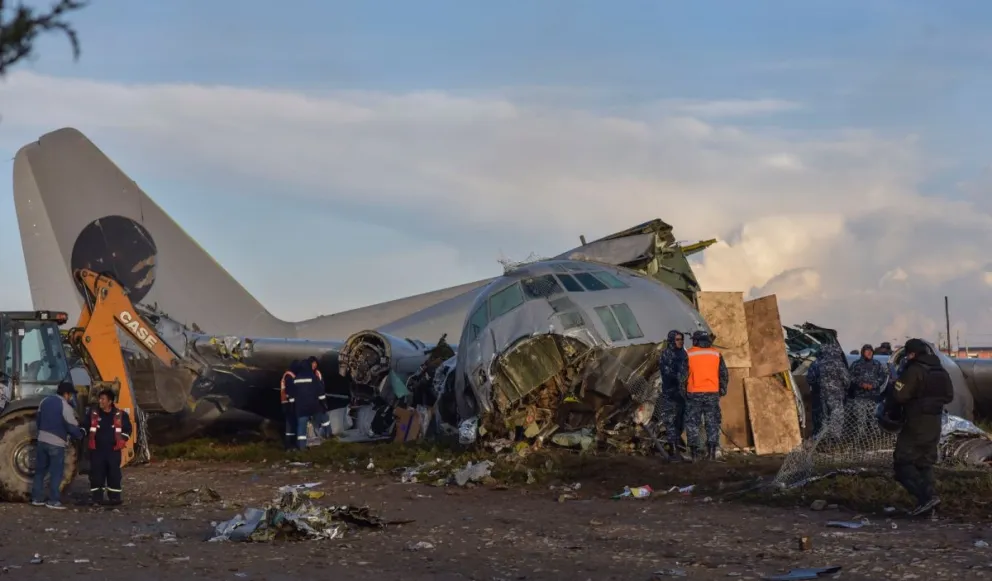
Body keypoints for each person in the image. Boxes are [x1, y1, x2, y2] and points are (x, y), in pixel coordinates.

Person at [884, 338, 953, 516]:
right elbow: (949, 396)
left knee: (902, 462)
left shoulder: (914, 370)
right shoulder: (940, 371)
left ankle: (926, 497)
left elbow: (900, 395)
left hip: (916, 421)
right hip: (935, 422)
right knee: (925, 462)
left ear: (912, 353)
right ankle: (930, 506)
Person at [31, 382, 86, 509]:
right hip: (56, 443)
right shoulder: (65, 406)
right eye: (70, 394)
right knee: (56, 473)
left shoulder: (44, 401)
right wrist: (81, 433)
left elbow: (38, 420)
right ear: (66, 394)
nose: (71, 397)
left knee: (40, 471)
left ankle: (36, 498)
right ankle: (53, 501)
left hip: (41, 440)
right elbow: (72, 426)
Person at [683, 330, 728, 461]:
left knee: (692, 423)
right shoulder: (716, 354)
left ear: (695, 341)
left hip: (693, 393)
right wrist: (722, 389)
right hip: (712, 394)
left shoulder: (689, 354)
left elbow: (682, 376)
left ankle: (693, 455)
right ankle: (712, 454)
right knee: (712, 422)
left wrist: (682, 391)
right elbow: (723, 374)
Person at [87, 388, 133, 506]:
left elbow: (128, 429)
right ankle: (97, 498)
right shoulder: (93, 414)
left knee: (114, 474)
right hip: (97, 451)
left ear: (110, 401)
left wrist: (123, 439)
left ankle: (115, 498)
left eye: (103, 399)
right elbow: (84, 426)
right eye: (99, 399)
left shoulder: (121, 415)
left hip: (113, 451)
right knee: (96, 475)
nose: (100, 401)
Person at [806, 341, 850, 442]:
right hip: (836, 396)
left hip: (821, 396)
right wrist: (844, 388)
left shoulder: (818, 363)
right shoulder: (838, 363)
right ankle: (834, 440)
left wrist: (818, 387)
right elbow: (847, 380)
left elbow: (810, 379)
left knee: (824, 419)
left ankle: (822, 440)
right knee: (836, 417)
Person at [655, 330, 688, 460]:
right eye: (678, 339)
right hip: (670, 394)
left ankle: (677, 447)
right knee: (670, 422)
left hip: (682, 395)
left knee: (681, 422)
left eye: (682, 339)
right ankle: (673, 450)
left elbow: (687, 370)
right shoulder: (666, 355)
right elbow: (666, 372)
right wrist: (679, 378)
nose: (680, 342)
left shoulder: (684, 354)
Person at [290, 361, 326, 449]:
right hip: (313, 407)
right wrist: (323, 404)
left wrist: (292, 407)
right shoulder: (313, 378)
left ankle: (302, 448)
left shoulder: (296, 379)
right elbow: (320, 392)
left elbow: (292, 396)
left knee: (301, 429)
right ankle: (319, 444)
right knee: (317, 425)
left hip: (301, 409)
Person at [280, 360, 299, 450]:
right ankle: (290, 444)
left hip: (286, 402)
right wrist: (293, 403)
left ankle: (288, 444)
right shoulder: (289, 376)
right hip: (288, 403)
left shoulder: (287, 375)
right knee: (291, 424)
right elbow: (290, 391)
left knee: (290, 423)